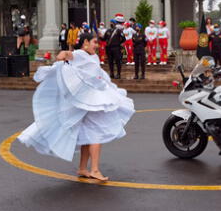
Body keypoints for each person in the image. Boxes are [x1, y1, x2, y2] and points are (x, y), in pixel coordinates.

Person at [17, 32, 135, 181]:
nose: (96, 46)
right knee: (96, 134)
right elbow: (68, 54)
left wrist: (109, 88)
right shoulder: (80, 53)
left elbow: (98, 75)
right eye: (94, 42)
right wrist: (63, 54)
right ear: (85, 42)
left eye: (97, 43)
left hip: (92, 99)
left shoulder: (94, 57)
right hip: (87, 100)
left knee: (89, 135)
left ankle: (82, 168)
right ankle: (95, 170)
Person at [104, 15, 126, 79]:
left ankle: (118, 74)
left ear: (115, 24)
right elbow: (104, 39)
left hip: (116, 48)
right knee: (110, 61)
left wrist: (120, 43)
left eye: (112, 23)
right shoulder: (107, 31)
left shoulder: (118, 31)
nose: (111, 24)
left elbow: (124, 38)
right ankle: (111, 73)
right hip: (109, 48)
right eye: (110, 23)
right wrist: (100, 36)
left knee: (117, 61)